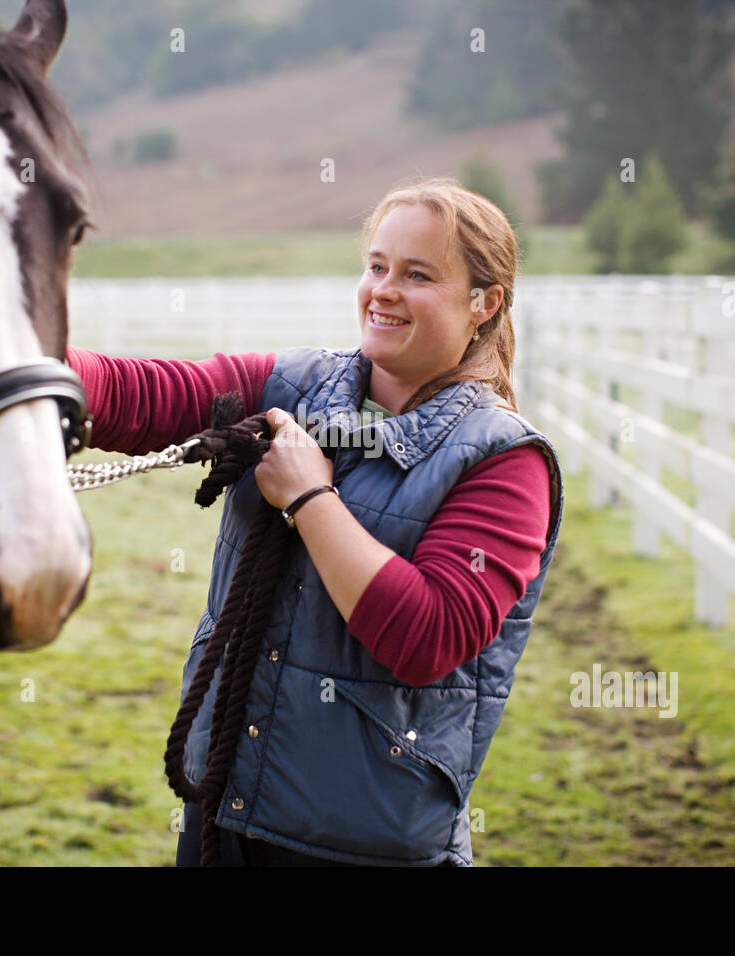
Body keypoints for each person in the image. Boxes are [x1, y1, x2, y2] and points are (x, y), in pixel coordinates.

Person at [67, 177, 563, 866]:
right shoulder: (292, 387)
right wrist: (16, 367)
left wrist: (308, 500)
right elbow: (143, 394)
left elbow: (428, 636)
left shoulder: (506, 462)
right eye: (377, 266)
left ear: (485, 303)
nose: (384, 290)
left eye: (417, 275)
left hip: (364, 843)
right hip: (224, 808)